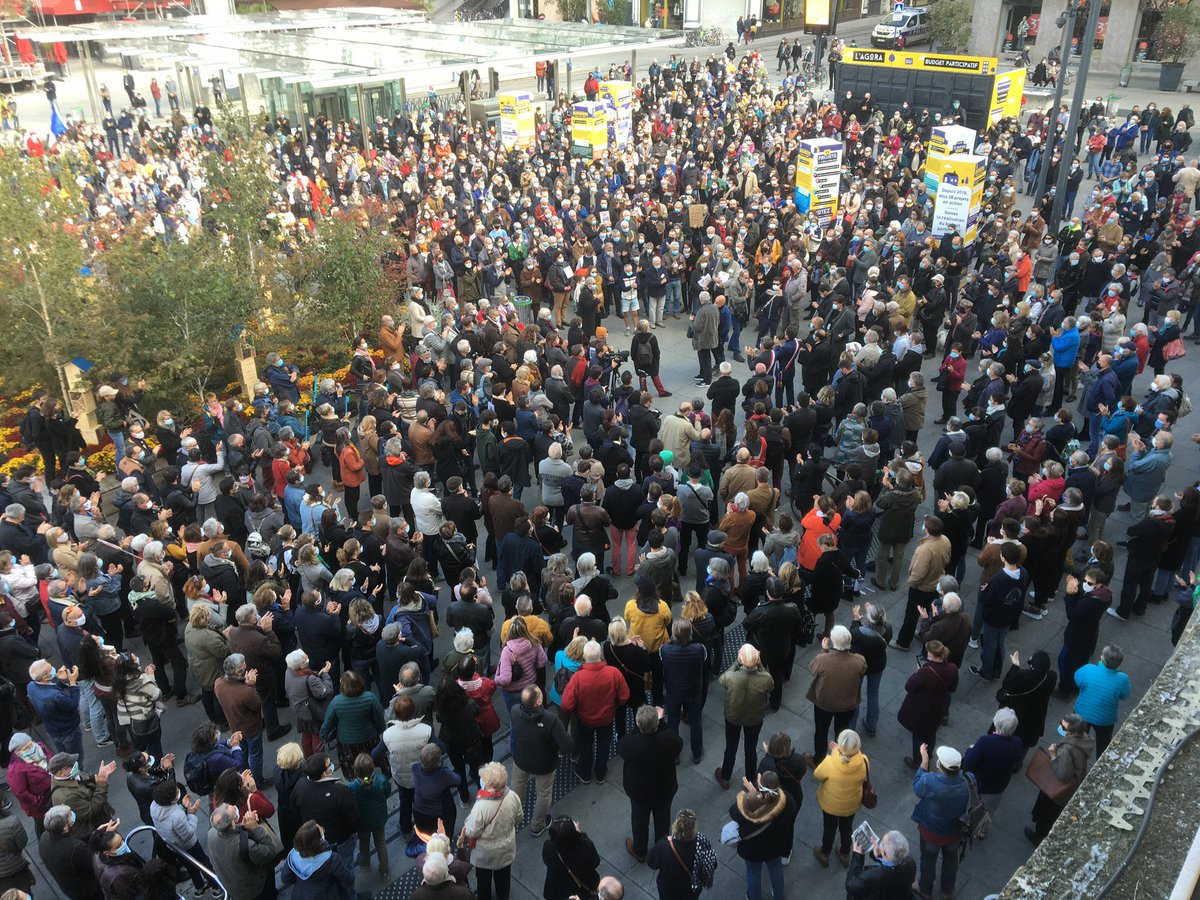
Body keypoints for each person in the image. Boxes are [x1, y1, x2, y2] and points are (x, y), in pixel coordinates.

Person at [617, 704, 683, 864]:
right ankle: (661, 851)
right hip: (664, 788)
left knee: (639, 820)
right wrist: (662, 723)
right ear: (657, 723)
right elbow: (678, 743)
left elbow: (623, 744)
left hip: (639, 791)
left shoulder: (631, 744)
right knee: (663, 819)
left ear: (638, 725)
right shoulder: (668, 739)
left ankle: (640, 850)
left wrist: (640, 726)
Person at [560, 639, 629, 784]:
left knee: (586, 746)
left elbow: (566, 705)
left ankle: (584, 773)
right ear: (600, 655)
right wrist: (615, 705)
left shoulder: (578, 678)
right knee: (604, 745)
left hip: (585, 720)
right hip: (607, 718)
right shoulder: (613, 673)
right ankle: (600, 772)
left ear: (584, 657)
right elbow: (624, 696)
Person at [510, 685, 571, 837]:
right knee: (543, 794)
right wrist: (558, 751)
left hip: (521, 759)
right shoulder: (550, 719)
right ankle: (537, 825)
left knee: (517, 786)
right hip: (544, 764)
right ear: (538, 703)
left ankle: (512, 819)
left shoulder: (515, 711)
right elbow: (567, 745)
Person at [910, 744, 970, 900]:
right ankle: (947, 891)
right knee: (951, 860)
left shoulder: (930, 781)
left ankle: (925, 889)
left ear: (940, 766)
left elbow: (917, 786)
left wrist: (924, 760)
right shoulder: (968, 781)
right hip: (955, 832)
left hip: (932, 832)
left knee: (928, 860)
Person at [727, 769, 797, 900]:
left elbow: (734, 812)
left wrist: (752, 795)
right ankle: (779, 896)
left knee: (753, 873)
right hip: (775, 846)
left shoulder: (750, 803)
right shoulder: (788, 802)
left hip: (753, 850)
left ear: (760, 786)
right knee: (776, 869)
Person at [1026, 714, 1093, 845]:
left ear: (1071, 732)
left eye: (1063, 726)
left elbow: (1063, 775)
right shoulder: (1084, 741)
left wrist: (1053, 756)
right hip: (1072, 787)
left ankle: (1038, 836)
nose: (1061, 727)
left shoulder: (1067, 750)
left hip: (1057, 793)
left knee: (1047, 815)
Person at [460, 761, 522, 900]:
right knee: (503, 877)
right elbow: (519, 818)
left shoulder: (481, 806)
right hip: (505, 849)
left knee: (483, 880)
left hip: (485, 854)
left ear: (489, 785)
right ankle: (503, 896)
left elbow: (471, 831)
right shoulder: (512, 796)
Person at [714, 644, 773, 790]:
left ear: (740, 659)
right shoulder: (765, 679)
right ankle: (751, 779)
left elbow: (722, 679)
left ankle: (726, 777)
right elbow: (770, 684)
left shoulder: (731, 677)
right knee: (750, 748)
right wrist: (759, 666)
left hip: (733, 717)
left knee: (731, 747)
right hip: (754, 718)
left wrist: (736, 663)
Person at [807, 626, 867, 764]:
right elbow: (863, 669)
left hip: (824, 704)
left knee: (821, 732)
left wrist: (824, 650)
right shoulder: (859, 660)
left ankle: (819, 760)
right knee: (842, 732)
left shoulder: (823, 659)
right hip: (847, 705)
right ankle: (841, 758)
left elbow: (812, 669)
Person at [811, 728, 868, 869]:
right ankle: (844, 854)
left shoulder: (830, 762)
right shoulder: (864, 761)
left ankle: (824, 854)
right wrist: (839, 751)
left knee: (829, 828)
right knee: (846, 828)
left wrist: (834, 753)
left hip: (831, 804)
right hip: (851, 804)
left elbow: (817, 775)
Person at [962, 708, 1025, 833]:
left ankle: (967, 824)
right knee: (989, 809)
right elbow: (1017, 758)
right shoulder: (1017, 743)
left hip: (979, 782)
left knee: (970, 805)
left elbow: (968, 763)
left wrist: (970, 750)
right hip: (998, 785)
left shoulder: (986, 742)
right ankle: (983, 830)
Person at [897, 640, 958, 769]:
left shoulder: (925, 672)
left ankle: (919, 761)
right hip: (939, 707)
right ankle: (928, 754)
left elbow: (909, 686)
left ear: (932, 654)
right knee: (931, 732)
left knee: (918, 735)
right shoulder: (952, 669)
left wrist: (918, 672)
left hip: (923, 709)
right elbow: (952, 688)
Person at [292, 753, 360, 864]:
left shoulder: (300, 786)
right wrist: (352, 831)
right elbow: (354, 816)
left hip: (317, 840)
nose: (332, 765)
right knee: (346, 864)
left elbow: (295, 811)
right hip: (341, 839)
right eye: (329, 765)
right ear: (324, 773)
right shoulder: (339, 792)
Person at [206, 803, 284, 900]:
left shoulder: (211, 833)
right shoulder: (244, 845)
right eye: (235, 815)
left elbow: (231, 832)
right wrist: (255, 828)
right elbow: (269, 852)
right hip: (253, 890)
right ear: (233, 824)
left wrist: (244, 826)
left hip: (233, 887)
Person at [1073, 645, 1132, 757]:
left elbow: (1077, 679)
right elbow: (1124, 695)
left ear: (1102, 658)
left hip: (1082, 713)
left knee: (1077, 742)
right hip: (1105, 719)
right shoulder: (1122, 679)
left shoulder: (1088, 669)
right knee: (1103, 747)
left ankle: (1077, 762)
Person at [646, 808, 716, 900]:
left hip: (669, 889)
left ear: (675, 825)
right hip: (691, 889)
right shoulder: (702, 842)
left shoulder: (664, 846)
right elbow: (711, 864)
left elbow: (652, 863)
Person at [39, 805, 105, 900]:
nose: (72, 815)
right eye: (69, 815)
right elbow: (95, 862)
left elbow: (73, 840)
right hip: (88, 890)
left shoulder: (44, 837)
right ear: (65, 827)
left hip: (70, 888)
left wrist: (95, 833)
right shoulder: (75, 849)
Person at [281, 819, 355, 900]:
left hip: (300, 895)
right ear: (317, 842)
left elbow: (285, 879)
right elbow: (348, 880)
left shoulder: (292, 856)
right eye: (321, 833)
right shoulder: (332, 859)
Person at [346, 753, 391, 881]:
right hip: (379, 818)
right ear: (372, 768)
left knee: (364, 843)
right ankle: (384, 870)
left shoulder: (352, 787)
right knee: (381, 843)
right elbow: (387, 793)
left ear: (355, 770)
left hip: (362, 822)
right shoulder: (381, 780)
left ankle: (365, 863)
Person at [845, 829, 916, 899]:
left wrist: (857, 856)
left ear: (883, 852)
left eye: (882, 842)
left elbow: (851, 885)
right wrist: (879, 856)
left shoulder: (874, 875)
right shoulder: (910, 862)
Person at [542, 816, 601, 900]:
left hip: (557, 889)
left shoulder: (549, 847)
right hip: (583, 887)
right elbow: (596, 862)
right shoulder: (586, 846)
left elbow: (546, 860)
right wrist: (580, 835)